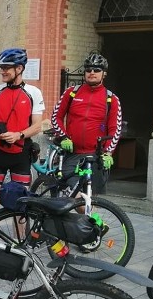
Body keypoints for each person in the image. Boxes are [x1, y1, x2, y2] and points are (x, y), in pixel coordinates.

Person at [0, 48, 45, 215]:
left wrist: (19, 134)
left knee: (20, 204)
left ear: (19, 68)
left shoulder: (33, 92)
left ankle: (20, 241)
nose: (2, 71)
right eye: (1, 67)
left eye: (6, 67)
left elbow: (37, 125)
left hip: (21, 153)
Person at [51, 51, 122, 195]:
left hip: (95, 157)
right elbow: (55, 117)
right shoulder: (71, 93)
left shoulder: (111, 99)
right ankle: (85, 216)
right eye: (88, 70)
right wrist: (64, 137)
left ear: (104, 74)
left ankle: (92, 218)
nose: (92, 73)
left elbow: (115, 129)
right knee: (72, 194)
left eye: (97, 70)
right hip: (73, 154)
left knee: (91, 198)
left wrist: (108, 152)